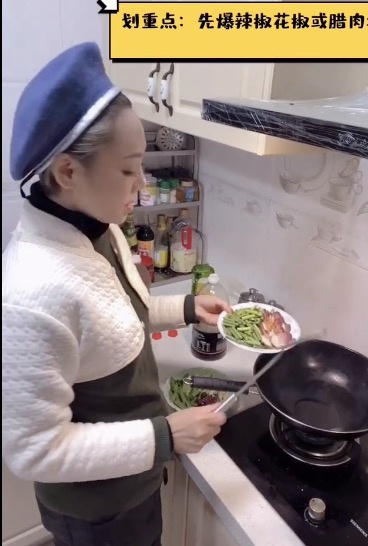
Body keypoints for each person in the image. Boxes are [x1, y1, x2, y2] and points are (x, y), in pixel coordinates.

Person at [2, 42, 230, 546]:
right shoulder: (30, 292)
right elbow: (34, 451)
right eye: (128, 170)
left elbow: (113, 315)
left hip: (135, 477)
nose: (141, 184)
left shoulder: (95, 227)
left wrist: (186, 308)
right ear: (67, 172)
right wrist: (165, 436)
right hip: (99, 510)